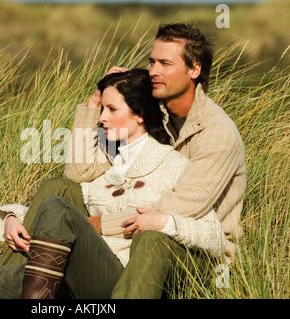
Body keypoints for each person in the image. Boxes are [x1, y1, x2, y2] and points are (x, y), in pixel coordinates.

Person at [0, 69, 226, 299]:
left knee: (57, 206)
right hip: (69, 272)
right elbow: (70, 185)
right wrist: (10, 218)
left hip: (118, 278)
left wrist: (166, 222)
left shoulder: (172, 165)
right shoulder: (108, 164)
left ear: (138, 115)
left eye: (111, 109)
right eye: (101, 109)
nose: (102, 118)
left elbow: (214, 235)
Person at [66, 23, 246, 298]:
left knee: (152, 239)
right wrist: (95, 102)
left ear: (194, 70)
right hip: (131, 237)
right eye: (152, 61)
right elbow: (80, 172)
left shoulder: (218, 134)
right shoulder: (147, 115)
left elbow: (182, 207)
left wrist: (99, 225)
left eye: (165, 63)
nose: (153, 71)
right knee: (60, 190)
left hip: (198, 253)